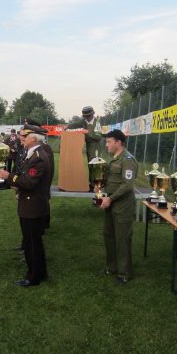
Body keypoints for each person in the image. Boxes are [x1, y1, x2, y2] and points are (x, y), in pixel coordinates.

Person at [0, 124, 52, 287]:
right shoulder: (33, 153)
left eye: (24, 136)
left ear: (33, 138)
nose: (22, 138)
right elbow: (25, 178)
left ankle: (33, 277)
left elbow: (28, 182)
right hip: (30, 204)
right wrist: (13, 182)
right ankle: (40, 272)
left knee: (31, 244)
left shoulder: (38, 157)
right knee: (34, 243)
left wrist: (9, 176)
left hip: (33, 206)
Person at [99, 129, 138, 285]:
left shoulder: (128, 160)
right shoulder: (114, 159)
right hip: (111, 202)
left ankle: (124, 273)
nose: (106, 145)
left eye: (109, 142)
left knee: (122, 238)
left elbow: (127, 185)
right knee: (108, 235)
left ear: (118, 142)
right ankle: (112, 267)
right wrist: (100, 187)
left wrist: (110, 198)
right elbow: (111, 181)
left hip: (123, 205)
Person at [68, 106, 103, 191]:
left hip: (95, 146)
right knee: (90, 165)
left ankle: (97, 186)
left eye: (87, 116)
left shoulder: (97, 123)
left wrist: (87, 132)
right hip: (89, 145)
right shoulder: (84, 120)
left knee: (96, 165)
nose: (86, 118)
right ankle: (92, 184)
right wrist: (67, 126)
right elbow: (76, 124)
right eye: (85, 116)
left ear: (92, 114)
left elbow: (98, 137)